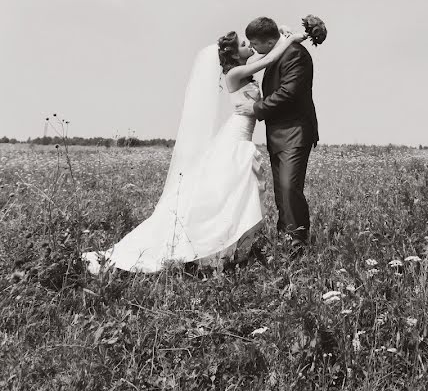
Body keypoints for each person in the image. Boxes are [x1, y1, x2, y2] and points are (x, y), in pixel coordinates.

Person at [82, 30, 307, 273]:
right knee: (227, 189)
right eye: (244, 44)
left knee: (232, 190)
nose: (249, 45)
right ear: (233, 53)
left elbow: (269, 56)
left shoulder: (245, 68)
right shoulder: (234, 73)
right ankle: (215, 240)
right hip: (236, 134)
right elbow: (269, 59)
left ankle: (230, 243)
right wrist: (289, 40)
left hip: (242, 134)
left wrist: (285, 37)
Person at [235, 16, 318, 248]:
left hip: (295, 131)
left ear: (269, 42)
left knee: (290, 187)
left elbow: (288, 93)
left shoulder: (295, 55)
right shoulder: (278, 52)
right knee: (282, 190)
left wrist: (255, 108)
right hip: (277, 133)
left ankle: (297, 243)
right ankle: (285, 238)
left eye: (255, 44)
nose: (252, 48)